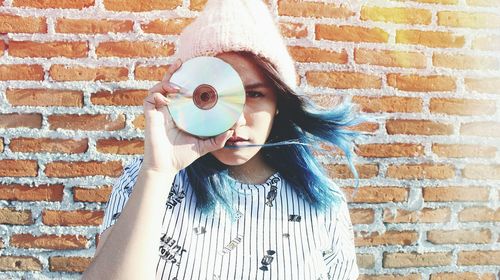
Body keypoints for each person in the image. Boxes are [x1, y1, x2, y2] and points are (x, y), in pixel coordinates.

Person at [83, 0, 362, 279]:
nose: (235, 120)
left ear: (278, 101)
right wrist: (158, 172)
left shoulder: (324, 201)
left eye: (254, 95)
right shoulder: (143, 180)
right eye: (211, 96)